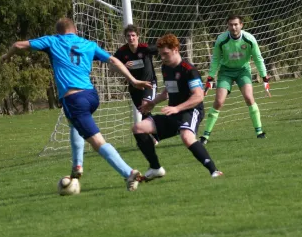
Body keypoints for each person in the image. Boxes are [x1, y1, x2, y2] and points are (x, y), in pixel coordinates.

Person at [1, 17, 152, 191]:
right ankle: (77, 166)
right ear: (76, 31)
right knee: (74, 124)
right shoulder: (88, 44)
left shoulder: (53, 41)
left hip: (74, 99)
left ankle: (129, 173)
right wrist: (133, 80)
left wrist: (7, 56)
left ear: (58, 32)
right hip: (91, 96)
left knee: (97, 142)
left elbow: (18, 45)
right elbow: (113, 60)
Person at [132, 33, 223, 180]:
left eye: (165, 54)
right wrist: (152, 103)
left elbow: (199, 96)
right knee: (138, 128)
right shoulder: (165, 68)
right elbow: (167, 91)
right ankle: (155, 168)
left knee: (187, 137)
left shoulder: (189, 70)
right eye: (161, 54)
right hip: (173, 112)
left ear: (175, 49)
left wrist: (177, 108)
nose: (162, 57)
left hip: (191, 110)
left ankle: (214, 171)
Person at [200, 15, 270, 144]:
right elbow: (215, 59)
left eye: (236, 24)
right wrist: (210, 78)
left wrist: (264, 77)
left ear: (241, 25)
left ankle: (259, 132)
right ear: (227, 26)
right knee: (219, 102)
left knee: (249, 97)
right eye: (231, 25)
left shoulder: (249, 39)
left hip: (243, 71)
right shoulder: (221, 39)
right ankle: (205, 136)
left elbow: (258, 58)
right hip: (226, 72)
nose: (233, 27)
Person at [113, 24, 159, 144]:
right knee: (144, 111)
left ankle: (145, 137)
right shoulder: (122, 52)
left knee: (145, 107)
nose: (131, 38)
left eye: (133, 35)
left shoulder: (145, 48)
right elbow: (111, 67)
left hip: (149, 84)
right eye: (128, 36)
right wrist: (123, 66)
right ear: (125, 37)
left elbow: (161, 49)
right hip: (134, 87)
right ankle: (158, 134)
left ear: (138, 36)